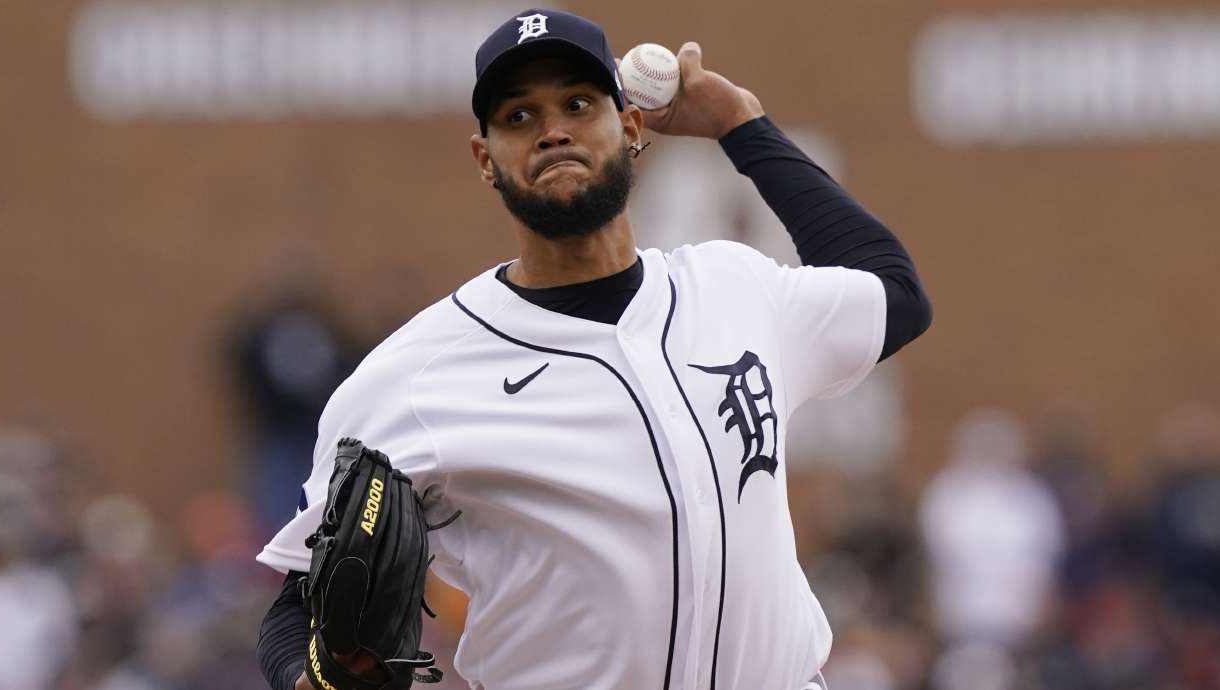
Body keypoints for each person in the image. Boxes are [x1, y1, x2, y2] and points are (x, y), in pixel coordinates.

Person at [256, 8, 931, 690]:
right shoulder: (416, 376)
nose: (552, 131)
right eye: (519, 117)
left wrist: (742, 127)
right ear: (485, 160)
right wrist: (306, 678)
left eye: (578, 104)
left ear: (631, 127)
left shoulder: (732, 287)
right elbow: (294, 607)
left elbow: (895, 294)